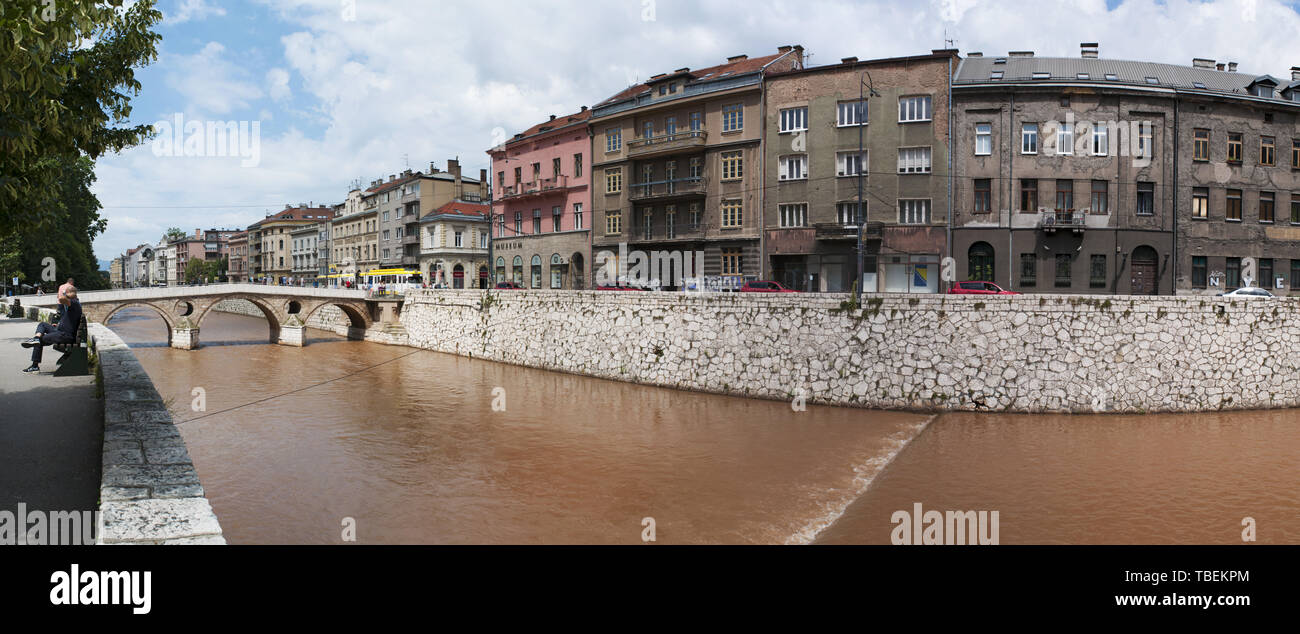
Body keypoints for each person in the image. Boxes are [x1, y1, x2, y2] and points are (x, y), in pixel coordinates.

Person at [21, 287, 82, 373]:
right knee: (43, 325)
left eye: (66, 293)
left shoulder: (74, 303)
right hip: (61, 331)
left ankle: (35, 366)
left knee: (40, 341)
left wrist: (64, 294)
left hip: (65, 335)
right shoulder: (74, 304)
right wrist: (58, 325)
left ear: (70, 294)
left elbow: (61, 299)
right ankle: (36, 338)